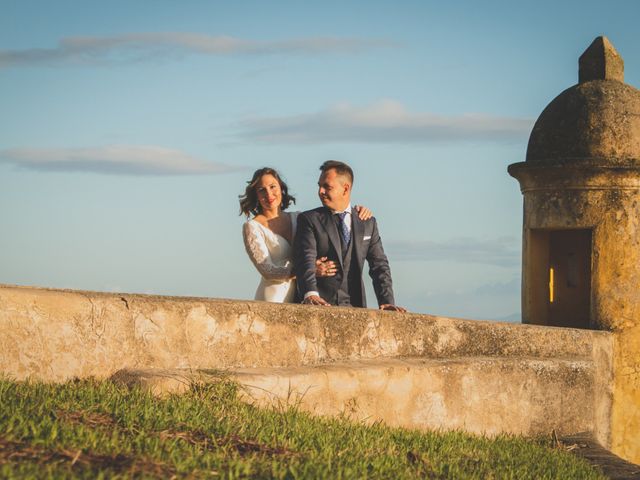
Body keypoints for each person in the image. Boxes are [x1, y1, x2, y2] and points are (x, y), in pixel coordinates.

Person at [239, 167, 373, 303]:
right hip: (275, 295)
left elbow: (330, 217)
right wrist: (308, 271)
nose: (269, 194)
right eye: (262, 190)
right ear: (256, 195)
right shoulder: (252, 227)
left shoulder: (298, 217)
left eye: (273, 186)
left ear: (281, 188)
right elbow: (267, 271)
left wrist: (355, 212)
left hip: (301, 294)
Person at [294, 160, 406, 311]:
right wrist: (310, 294)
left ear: (345, 189)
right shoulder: (309, 219)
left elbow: (379, 266)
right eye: (319, 185)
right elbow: (305, 259)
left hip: (355, 307)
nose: (320, 191)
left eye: (327, 186)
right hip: (318, 306)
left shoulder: (367, 223)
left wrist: (386, 301)